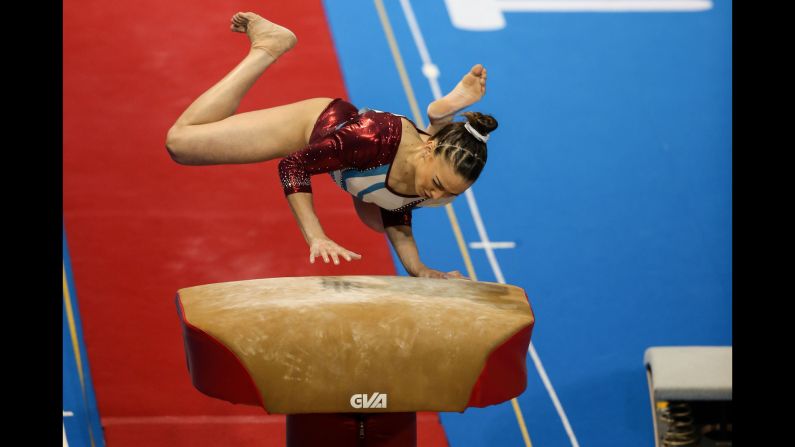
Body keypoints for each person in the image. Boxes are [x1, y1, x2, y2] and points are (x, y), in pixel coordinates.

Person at [166, 12, 497, 279]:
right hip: (317, 128)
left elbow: (400, 210)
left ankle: (436, 123)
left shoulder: (440, 185)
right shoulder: (370, 141)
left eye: (452, 193)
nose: (438, 197)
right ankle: (268, 46)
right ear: (428, 152)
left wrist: (420, 270)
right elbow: (292, 165)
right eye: (438, 185)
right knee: (181, 143)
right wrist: (316, 236)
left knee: (378, 219)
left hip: (371, 169)